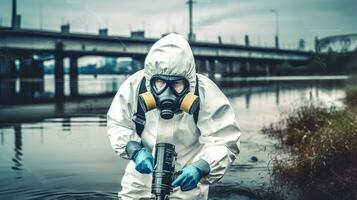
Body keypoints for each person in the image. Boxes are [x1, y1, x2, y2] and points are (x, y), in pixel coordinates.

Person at [107, 33, 242, 200]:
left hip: (186, 176)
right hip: (141, 172)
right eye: (160, 83)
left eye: (177, 84)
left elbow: (225, 140)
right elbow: (118, 124)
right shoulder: (134, 87)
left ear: (189, 82)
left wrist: (201, 167)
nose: (167, 93)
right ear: (150, 80)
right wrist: (134, 150)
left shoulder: (206, 94)